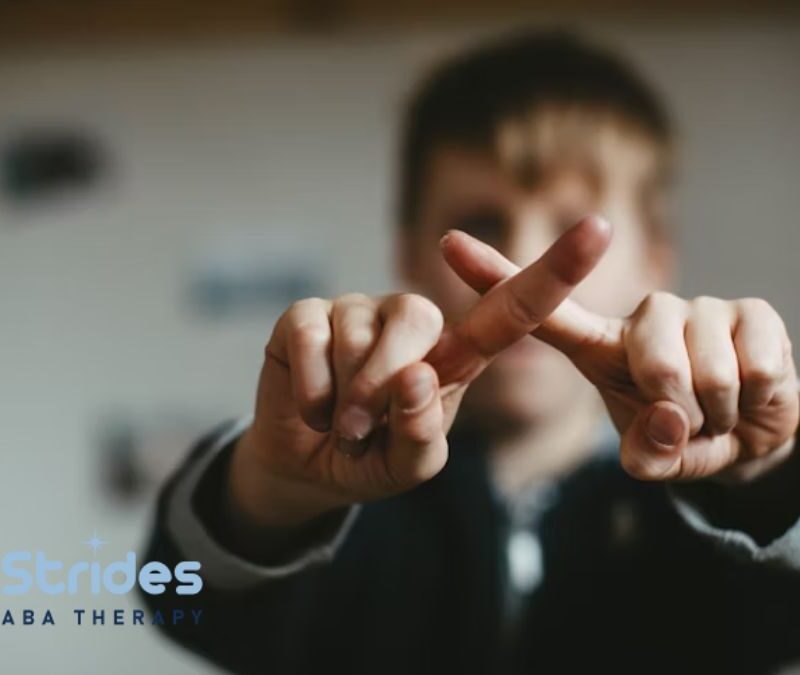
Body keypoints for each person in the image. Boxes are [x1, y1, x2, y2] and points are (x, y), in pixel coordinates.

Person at [143, 30, 800, 674]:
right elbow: (179, 597)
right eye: (483, 222)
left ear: (656, 261)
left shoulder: (698, 521)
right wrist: (272, 490)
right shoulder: (343, 490)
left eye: (573, 227)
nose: (521, 268)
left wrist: (767, 478)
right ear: (409, 254)